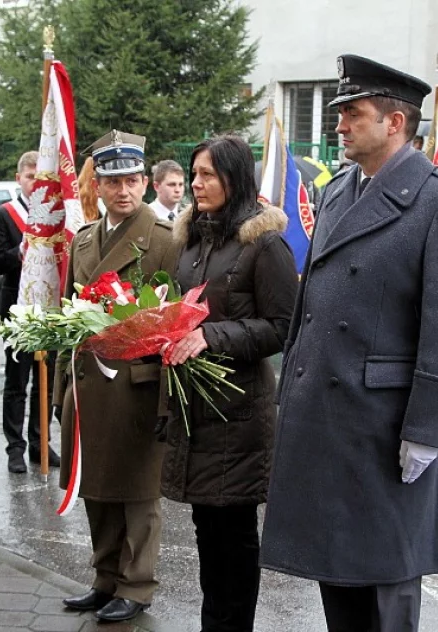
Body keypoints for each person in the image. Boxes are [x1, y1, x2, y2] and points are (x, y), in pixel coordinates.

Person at [260, 55, 438, 632]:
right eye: (339, 113)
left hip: (386, 426)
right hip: (329, 419)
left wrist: (428, 431)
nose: (339, 124)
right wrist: (292, 392)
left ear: (395, 123)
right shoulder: (338, 192)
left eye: (353, 114)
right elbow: (314, 304)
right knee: (336, 569)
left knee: (388, 580)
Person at [160, 135, 298, 632]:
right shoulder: (192, 240)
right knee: (207, 534)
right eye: (194, 174)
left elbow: (283, 327)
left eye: (208, 175)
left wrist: (209, 336)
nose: (196, 184)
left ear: (235, 179)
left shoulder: (265, 245)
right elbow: (187, 307)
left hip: (238, 413)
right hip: (195, 407)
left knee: (233, 540)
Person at [56, 130, 179, 623]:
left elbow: (175, 325)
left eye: (132, 180)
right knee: (95, 485)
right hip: (89, 383)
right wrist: (64, 386)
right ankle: (105, 577)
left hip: (137, 385)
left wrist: (168, 401)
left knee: (137, 492)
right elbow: (70, 316)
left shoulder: (166, 241)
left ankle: (136, 584)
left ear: (146, 182)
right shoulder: (85, 238)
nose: (123, 190)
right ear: (98, 187)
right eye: (112, 182)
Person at [0, 151, 61, 473]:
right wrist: (18, 251)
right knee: (17, 382)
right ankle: (14, 446)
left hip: (47, 306)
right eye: (30, 176)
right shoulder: (4, 214)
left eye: (40, 176)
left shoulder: (55, 214)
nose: (35, 182)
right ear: (19, 178)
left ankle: (39, 441)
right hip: (17, 307)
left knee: (44, 380)